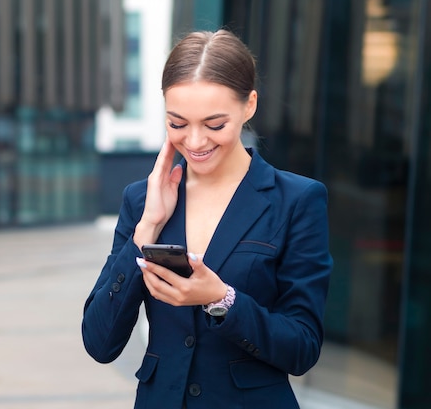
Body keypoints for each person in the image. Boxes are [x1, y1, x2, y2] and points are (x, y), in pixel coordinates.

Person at [81, 28, 333, 409]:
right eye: (177, 124)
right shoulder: (142, 200)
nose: (195, 142)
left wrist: (222, 299)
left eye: (215, 125)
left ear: (249, 105)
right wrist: (147, 226)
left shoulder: (296, 200)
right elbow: (100, 343)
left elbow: (302, 347)